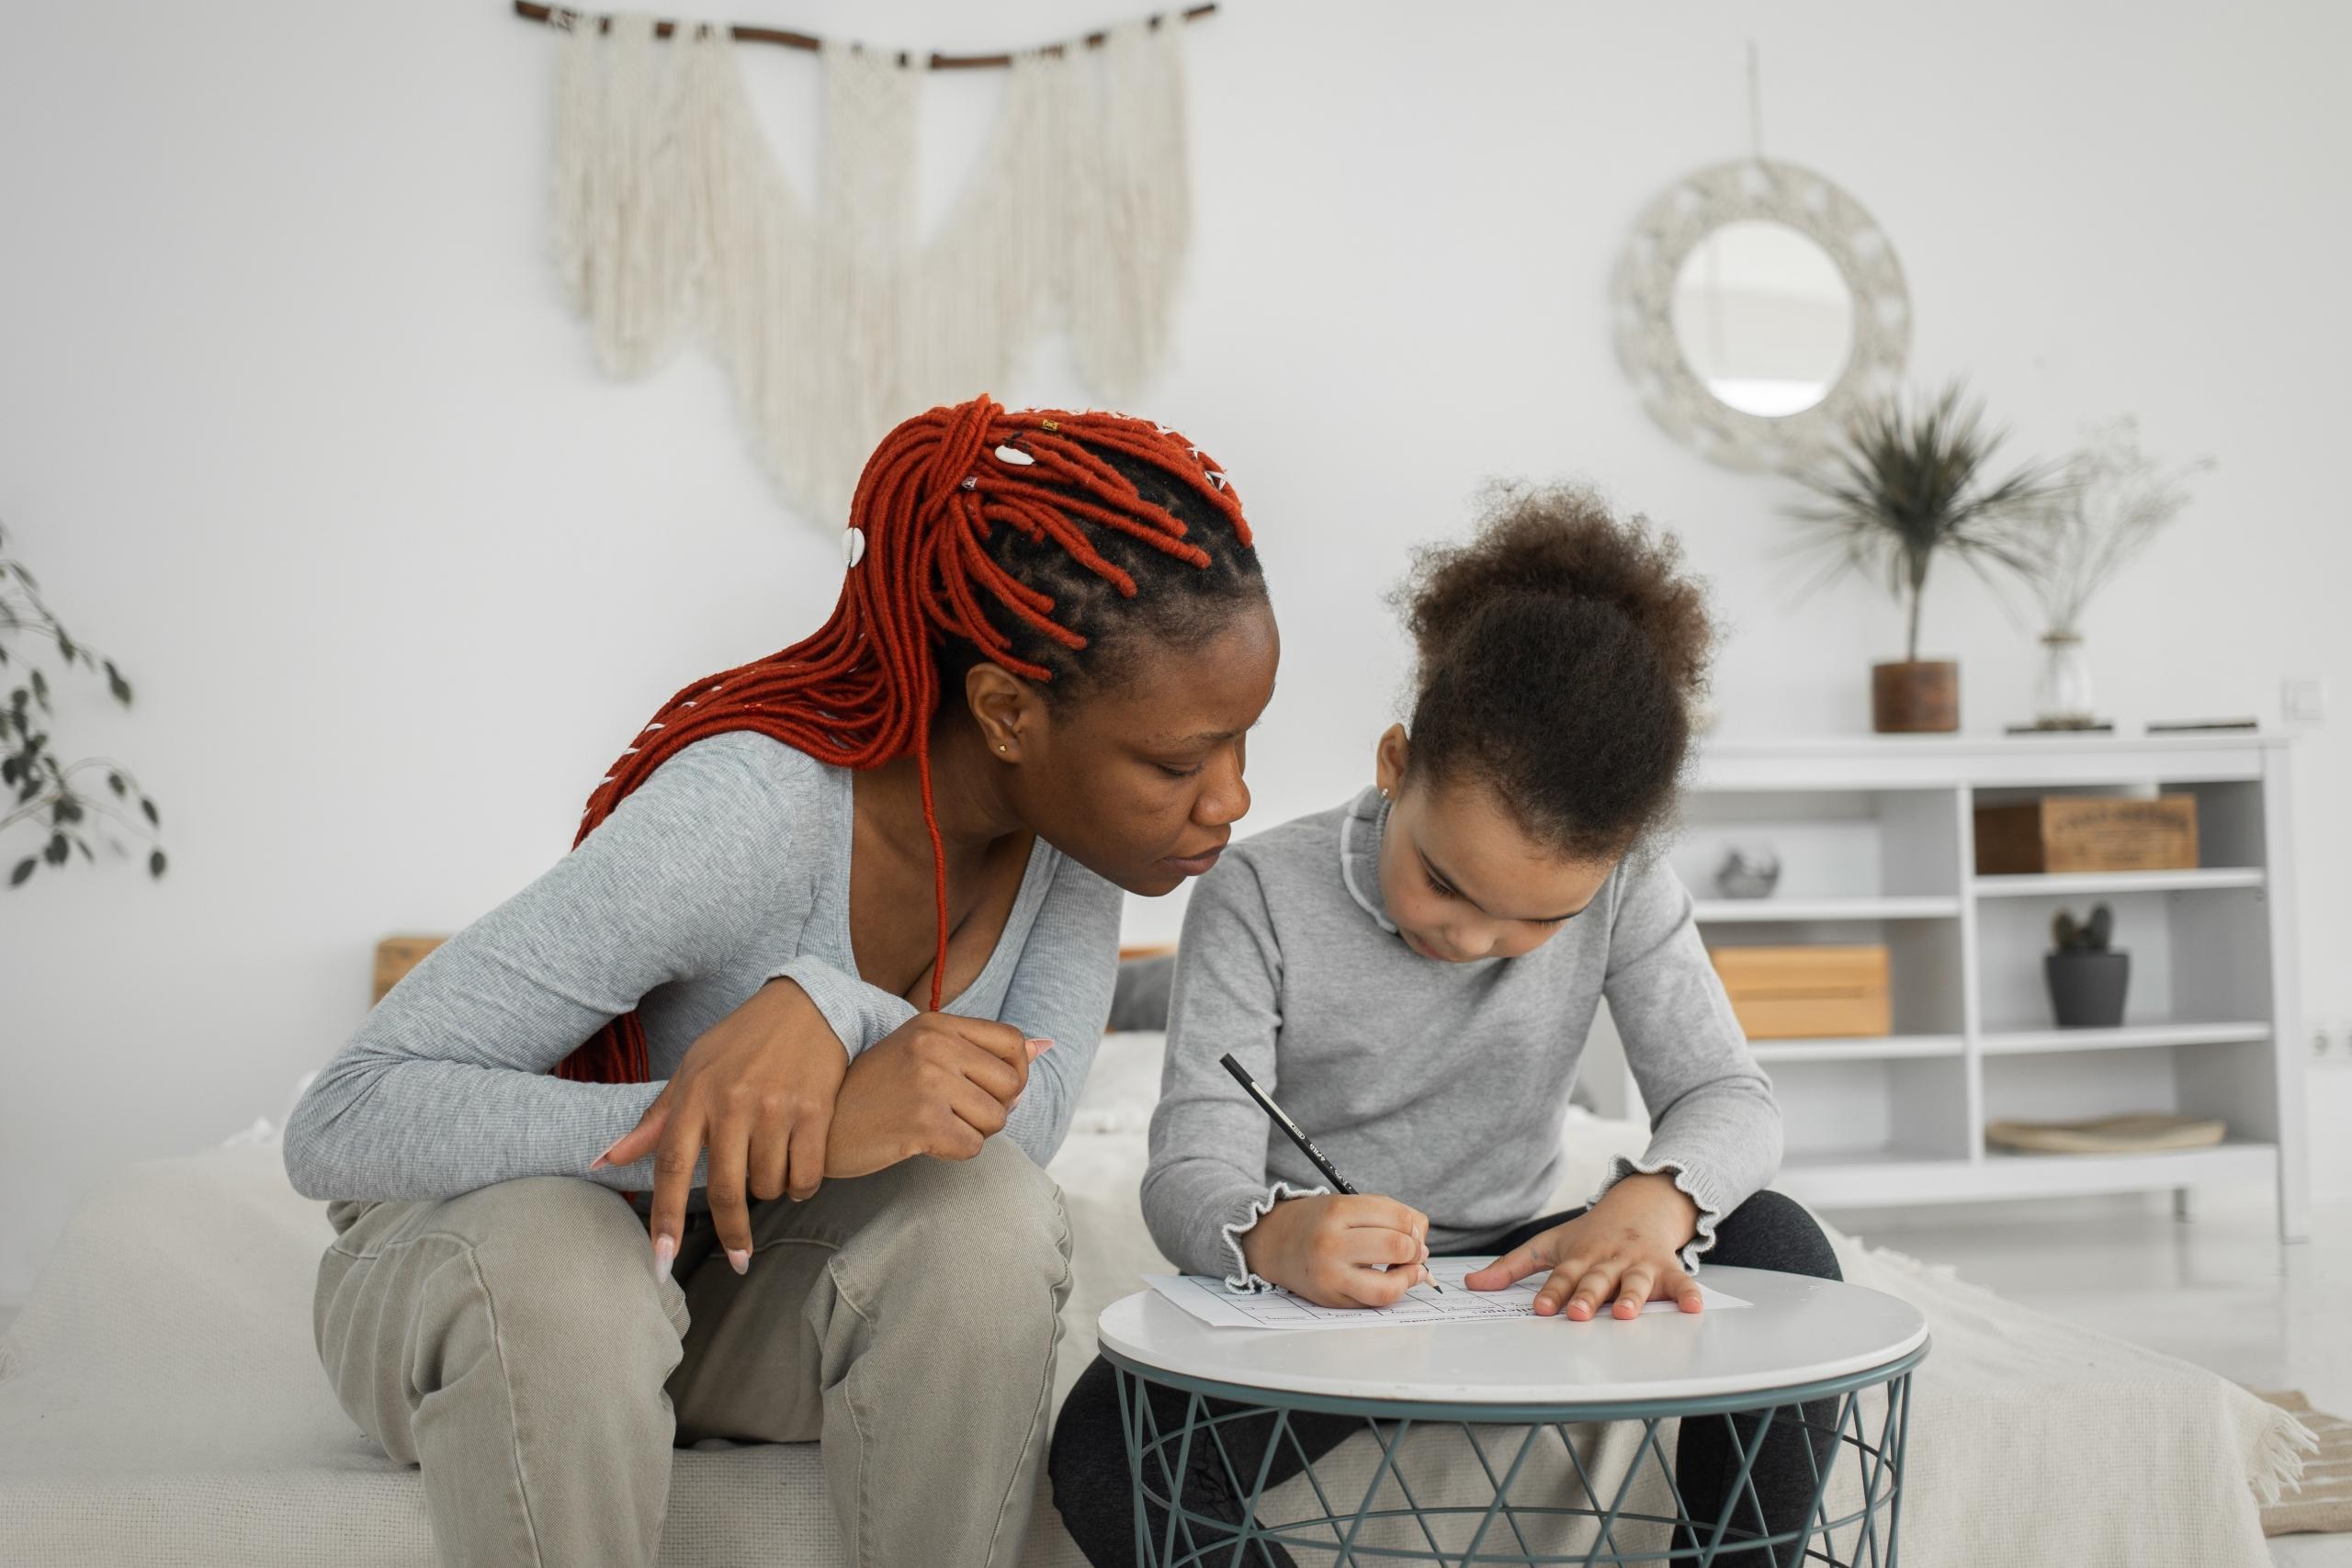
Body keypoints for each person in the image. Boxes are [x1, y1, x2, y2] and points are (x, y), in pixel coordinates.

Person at [284, 394, 1278, 1567]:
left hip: (729, 1298)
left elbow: (1023, 1133)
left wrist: (828, 1008)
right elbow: (343, 1117)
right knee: (568, 1270)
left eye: (1241, 741)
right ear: (1007, 712)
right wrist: (745, 1125)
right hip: (492, 1284)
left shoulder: (1078, 844)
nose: (1229, 800)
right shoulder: (750, 812)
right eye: (1175, 761)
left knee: (986, 1219)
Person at [1048, 483, 1838, 1568]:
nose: (1475, 941)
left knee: (1778, 1239)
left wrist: (1657, 1198)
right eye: (1446, 883)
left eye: (1539, 919)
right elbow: (1187, 1164)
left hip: (1521, 1275)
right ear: (1393, 766)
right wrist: (1273, 1238)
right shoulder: (1257, 891)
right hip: (1324, 1298)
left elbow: (1728, 1098)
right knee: (1103, 1455)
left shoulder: (1627, 889)